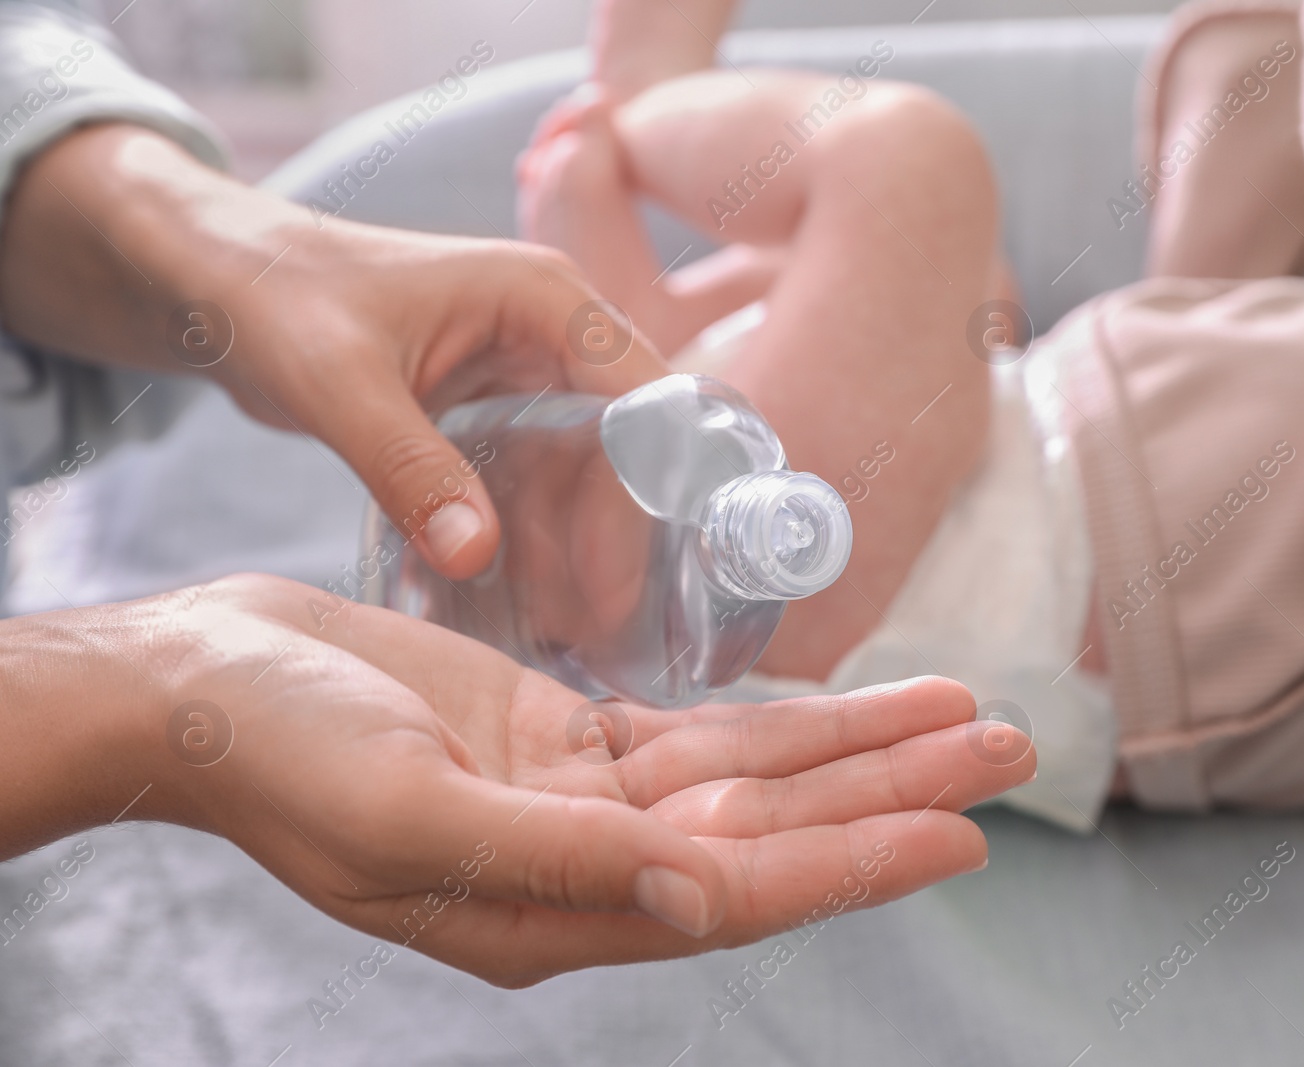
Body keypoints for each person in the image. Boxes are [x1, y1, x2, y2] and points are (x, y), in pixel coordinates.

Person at [0, 0, 1035, 987]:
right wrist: (139, 690)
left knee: (911, 168)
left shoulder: (684, 561)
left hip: (973, 567)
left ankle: (632, 111)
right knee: (920, 239)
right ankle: (630, 181)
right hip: (1011, 506)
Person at [517, 0, 1304, 826]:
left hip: (879, 555)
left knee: (913, 174)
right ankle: (633, 242)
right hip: (1027, 497)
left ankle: (639, 106)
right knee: (952, 261)